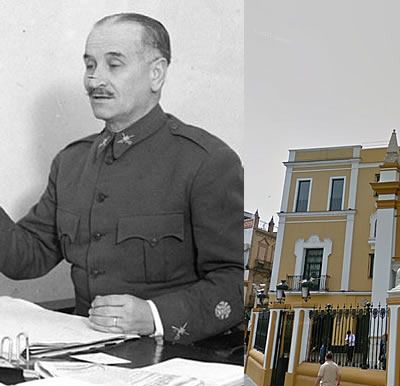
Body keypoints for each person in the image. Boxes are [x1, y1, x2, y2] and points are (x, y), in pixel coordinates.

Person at [0, 13, 243, 343]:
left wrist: (153, 315)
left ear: (155, 74)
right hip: (83, 353)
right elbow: (26, 257)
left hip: (178, 358)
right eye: (89, 65)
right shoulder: (71, 162)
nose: (94, 80)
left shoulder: (207, 162)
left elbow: (236, 281)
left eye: (113, 65)